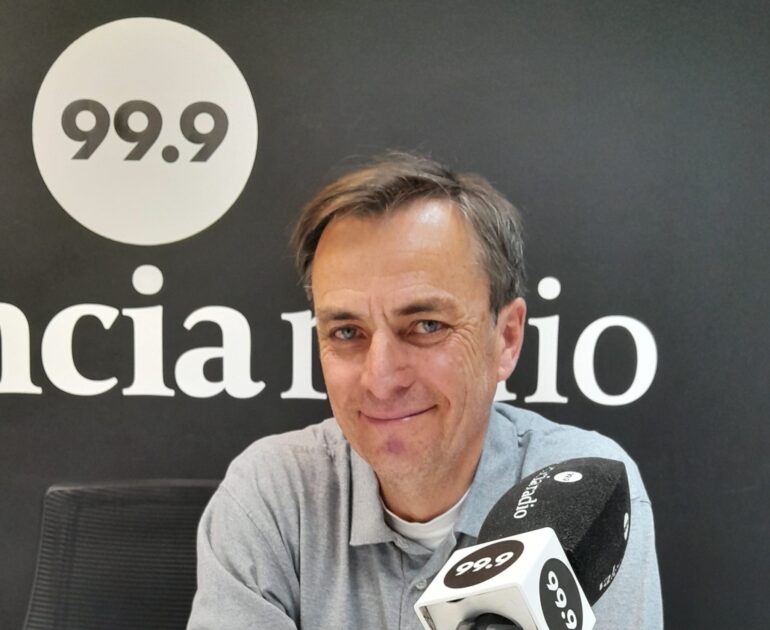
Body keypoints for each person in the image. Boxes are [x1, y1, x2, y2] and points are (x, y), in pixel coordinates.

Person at [187, 153, 662, 629]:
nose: (380, 379)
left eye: (427, 325)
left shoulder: (587, 497)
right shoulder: (272, 494)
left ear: (507, 338)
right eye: (347, 333)